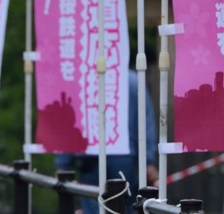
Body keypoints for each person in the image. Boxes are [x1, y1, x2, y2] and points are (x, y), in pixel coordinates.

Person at [55, 70, 158, 214]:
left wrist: (63, 162)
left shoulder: (84, 80)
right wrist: (148, 160)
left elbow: (70, 121)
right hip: (126, 156)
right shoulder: (134, 81)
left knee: (93, 201)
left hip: (91, 156)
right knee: (125, 204)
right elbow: (146, 122)